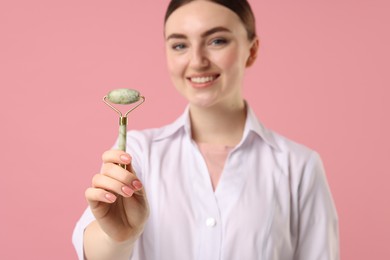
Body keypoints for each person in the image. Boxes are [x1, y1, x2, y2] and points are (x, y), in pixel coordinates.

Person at [72, 0, 339, 259]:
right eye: (179, 45)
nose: (197, 60)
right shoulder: (137, 154)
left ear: (252, 50)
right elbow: (95, 253)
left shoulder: (300, 166)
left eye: (217, 41)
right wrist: (119, 237)